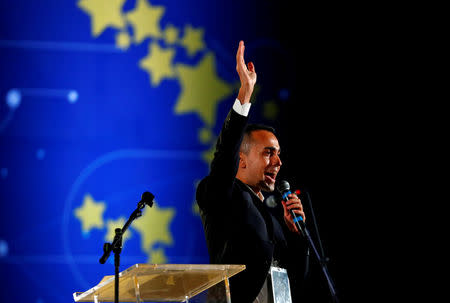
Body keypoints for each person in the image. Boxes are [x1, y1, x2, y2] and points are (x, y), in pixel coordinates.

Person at [196, 41, 309, 302]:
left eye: (279, 154)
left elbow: (295, 282)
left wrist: (297, 235)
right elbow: (223, 157)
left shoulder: (271, 218)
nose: (278, 162)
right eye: (269, 152)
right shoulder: (222, 196)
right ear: (242, 159)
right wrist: (245, 95)